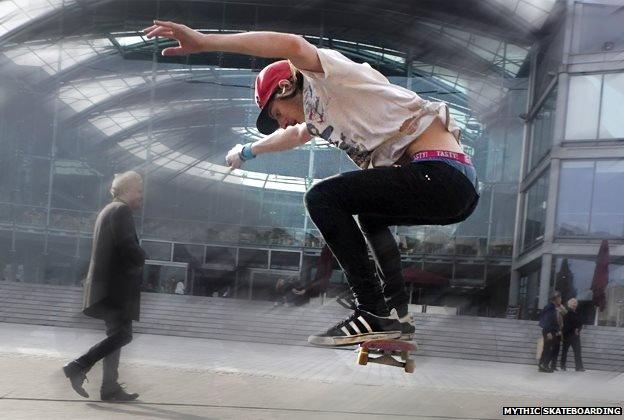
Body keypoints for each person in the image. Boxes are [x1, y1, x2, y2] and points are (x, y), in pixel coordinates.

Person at [144, 21, 479, 346]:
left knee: (323, 197)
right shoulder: (320, 116)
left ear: (287, 87)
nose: (283, 122)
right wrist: (247, 151)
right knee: (370, 216)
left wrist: (205, 42)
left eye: (277, 114)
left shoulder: (325, 77)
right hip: (452, 188)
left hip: (440, 174)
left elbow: (291, 45)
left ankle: (373, 310)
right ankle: (396, 314)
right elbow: (294, 135)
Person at [62, 171, 146, 401]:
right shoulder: (121, 210)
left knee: (116, 336)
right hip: (115, 289)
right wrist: (142, 256)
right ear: (127, 190)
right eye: (139, 191)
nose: (142, 196)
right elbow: (128, 247)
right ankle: (79, 365)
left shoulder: (108, 210)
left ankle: (109, 388)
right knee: (123, 336)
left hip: (107, 287)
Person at [538, 291, 562, 373]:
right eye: (560, 298)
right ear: (556, 299)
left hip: (550, 330)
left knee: (547, 348)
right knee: (549, 349)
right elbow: (547, 320)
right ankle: (544, 365)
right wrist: (548, 332)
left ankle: (542, 365)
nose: (561, 299)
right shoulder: (550, 307)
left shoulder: (551, 307)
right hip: (549, 331)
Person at [561, 298, 585, 372]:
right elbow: (565, 324)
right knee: (565, 351)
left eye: (575, 303)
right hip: (568, 334)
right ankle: (563, 365)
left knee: (578, 351)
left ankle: (579, 367)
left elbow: (581, 323)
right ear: (570, 305)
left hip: (575, 335)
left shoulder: (577, 313)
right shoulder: (567, 313)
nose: (575, 305)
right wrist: (574, 329)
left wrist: (578, 329)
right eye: (573, 303)